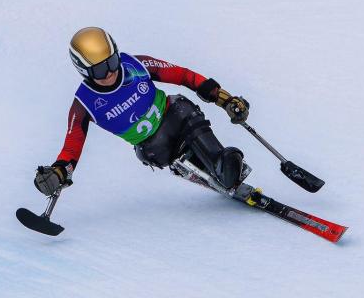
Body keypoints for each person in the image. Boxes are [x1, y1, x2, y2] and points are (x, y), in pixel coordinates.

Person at [33, 27, 251, 196]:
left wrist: (223, 98)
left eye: (111, 62)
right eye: (99, 69)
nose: (109, 72)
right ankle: (221, 168)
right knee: (167, 142)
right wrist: (58, 173)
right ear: (83, 71)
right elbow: (71, 148)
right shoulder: (84, 104)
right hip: (155, 146)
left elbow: (182, 75)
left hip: (178, 115)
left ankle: (222, 166)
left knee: (186, 113)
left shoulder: (136, 65)